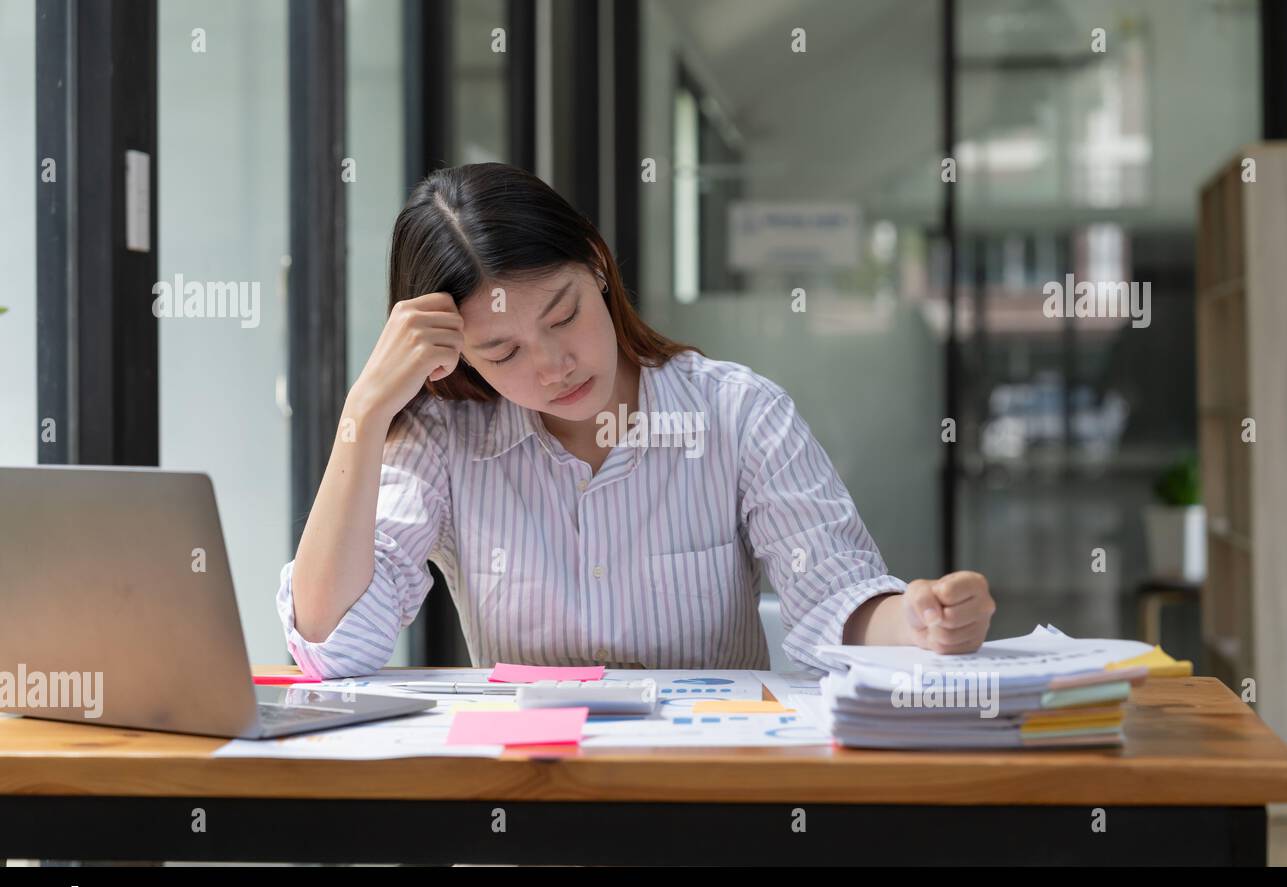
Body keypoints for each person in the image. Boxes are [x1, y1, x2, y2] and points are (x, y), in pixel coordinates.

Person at [277, 162, 995, 679]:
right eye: (502, 351)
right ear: (454, 354)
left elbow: (835, 604)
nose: (554, 363)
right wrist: (365, 411)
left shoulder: (737, 414)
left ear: (598, 267)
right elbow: (331, 644)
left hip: (705, 811)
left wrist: (920, 619)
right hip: (530, 813)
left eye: (564, 315)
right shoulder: (445, 441)